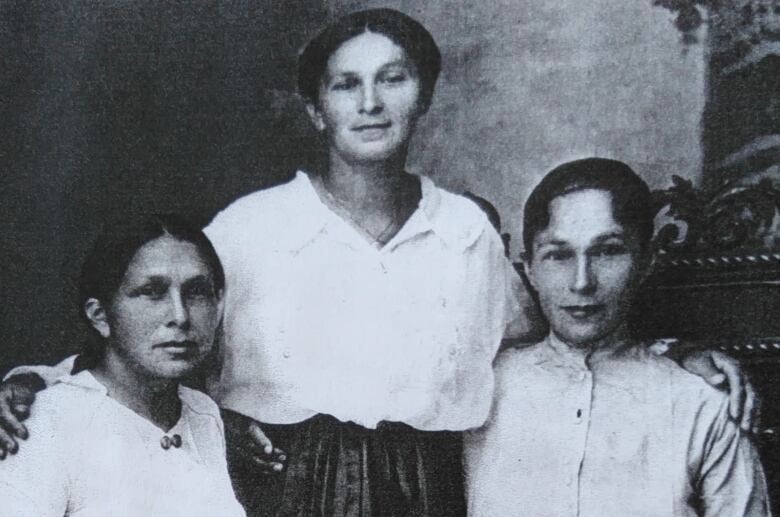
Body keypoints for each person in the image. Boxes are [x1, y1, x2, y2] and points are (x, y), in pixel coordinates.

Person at [0, 9, 756, 517]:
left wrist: (676, 351)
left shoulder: (464, 232)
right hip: (281, 481)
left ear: (423, 94)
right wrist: (45, 380)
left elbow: (554, 338)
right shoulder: (252, 226)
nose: (369, 103)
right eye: (345, 84)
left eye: (392, 78)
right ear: (314, 108)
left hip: (423, 481)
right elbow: (164, 330)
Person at [464, 158, 770, 516]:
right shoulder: (474, 390)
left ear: (645, 262)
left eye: (608, 251)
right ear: (528, 267)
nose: (582, 282)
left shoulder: (702, 403)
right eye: (558, 255)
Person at [0, 214, 247, 516]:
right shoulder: (43, 423)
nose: (180, 316)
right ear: (100, 315)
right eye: (152, 292)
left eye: (196, 291)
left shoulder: (203, 414)